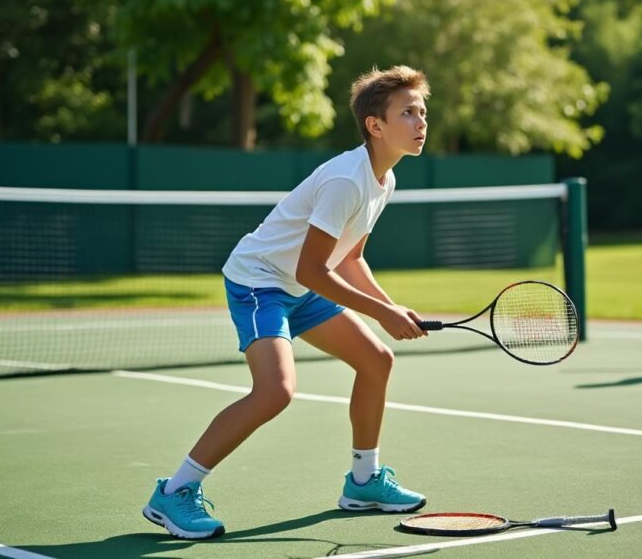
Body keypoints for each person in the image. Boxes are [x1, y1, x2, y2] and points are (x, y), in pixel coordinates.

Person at [142, 65, 431, 539]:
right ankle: (174, 492)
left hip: (300, 285)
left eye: (422, 112)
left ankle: (363, 482)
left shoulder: (385, 180)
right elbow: (311, 270)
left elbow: (350, 257)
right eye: (408, 113)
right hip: (260, 282)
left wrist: (391, 307)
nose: (420, 122)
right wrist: (382, 313)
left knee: (376, 360)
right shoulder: (347, 180)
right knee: (275, 391)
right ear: (375, 125)